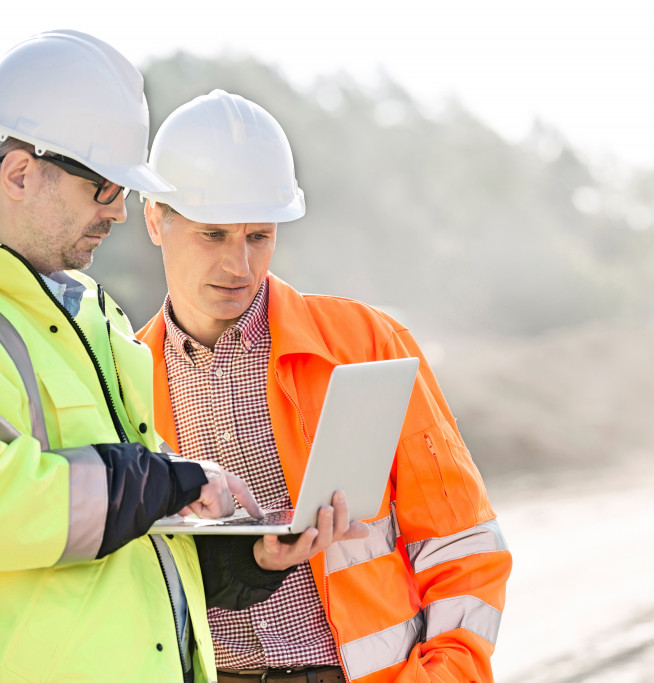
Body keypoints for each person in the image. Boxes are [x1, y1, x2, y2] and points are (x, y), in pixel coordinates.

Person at [0, 33, 359, 683]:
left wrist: (247, 563)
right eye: (103, 188)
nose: (120, 212)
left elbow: (111, 552)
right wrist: (161, 479)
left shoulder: (95, 323)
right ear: (18, 173)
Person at [137, 90, 513, 683]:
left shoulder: (365, 343)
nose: (239, 265)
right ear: (155, 218)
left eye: (258, 236)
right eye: (213, 235)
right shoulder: (125, 378)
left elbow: (462, 543)